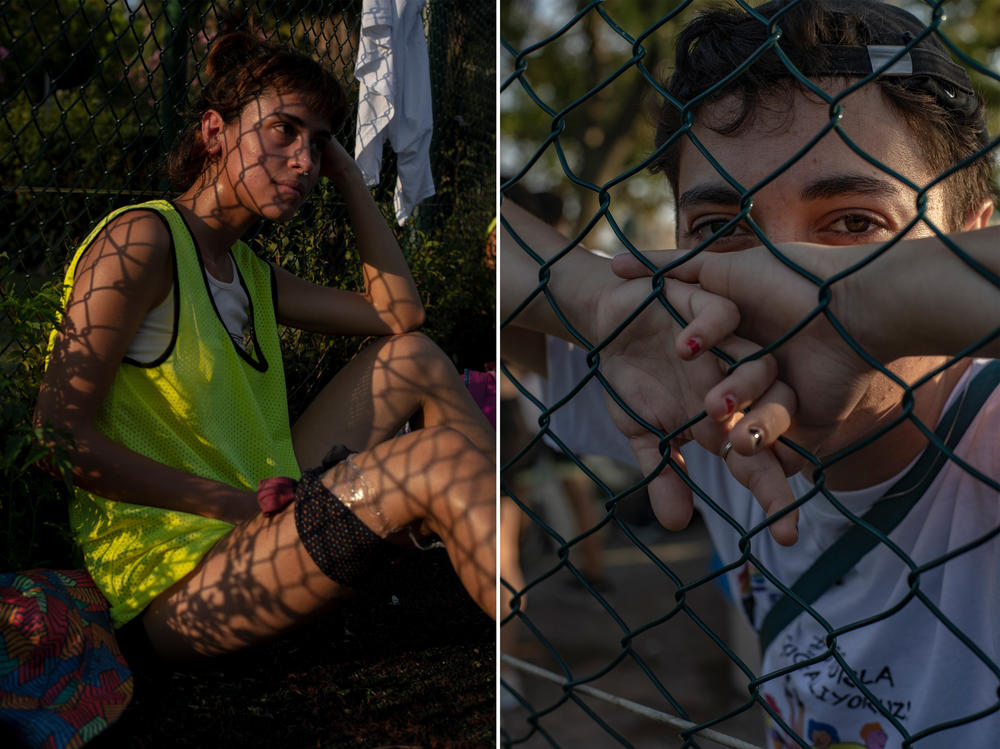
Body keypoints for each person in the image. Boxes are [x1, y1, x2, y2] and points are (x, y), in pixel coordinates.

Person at [501, 0, 999, 745]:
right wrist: (594, 296)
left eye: (855, 223)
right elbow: (485, 250)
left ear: (969, 236)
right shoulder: (697, 385)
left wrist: (858, 297)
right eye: (720, 230)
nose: (777, 283)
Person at [34, 32, 495, 661]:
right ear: (215, 132)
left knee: (412, 358)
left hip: (261, 519)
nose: (303, 162)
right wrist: (234, 505)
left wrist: (350, 177)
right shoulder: (140, 242)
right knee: (433, 458)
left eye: (319, 143)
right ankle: (538, 625)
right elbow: (58, 438)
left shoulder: (248, 272)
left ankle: (487, 557)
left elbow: (400, 314)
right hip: (176, 582)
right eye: (282, 131)